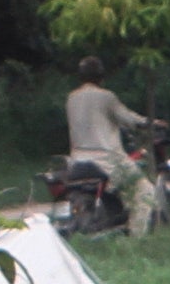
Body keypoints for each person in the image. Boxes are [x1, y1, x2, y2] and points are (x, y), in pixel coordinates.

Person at [62, 59, 157, 229]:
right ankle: (137, 237)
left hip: (77, 161)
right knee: (144, 190)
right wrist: (151, 123)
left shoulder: (71, 98)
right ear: (101, 77)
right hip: (107, 160)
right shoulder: (107, 97)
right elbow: (129, 119)